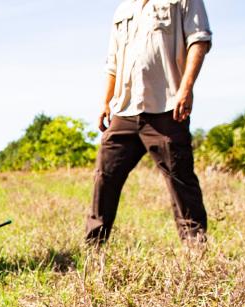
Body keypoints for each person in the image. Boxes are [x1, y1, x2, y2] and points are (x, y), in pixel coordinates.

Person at [86, 0, 213, 245]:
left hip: (167, 106)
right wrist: (106, 101)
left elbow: (199, 40)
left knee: (180, 178)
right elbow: (113, 62)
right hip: (125, 108)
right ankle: (94, 248)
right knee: (105, 176)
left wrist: (186, 89)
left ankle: (195, 247)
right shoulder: (124, 9)